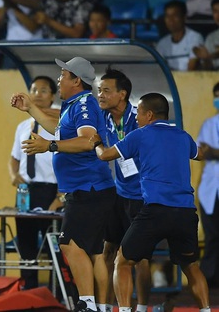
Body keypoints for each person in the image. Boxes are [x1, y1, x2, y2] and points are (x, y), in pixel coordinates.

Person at [11, 56, 115, 312]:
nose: (59, 79)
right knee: (95, 252)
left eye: (62, 75)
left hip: (88, 189)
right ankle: (100, 306)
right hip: (90, 189)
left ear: (76, 80)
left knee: (69, 243)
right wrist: (31, 110)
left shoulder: (84, 106)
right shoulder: (74, 104)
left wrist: (49, 146)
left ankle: (88, 304)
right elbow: (58, 128)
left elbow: (88, 140)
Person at [93, 93, 212, 312]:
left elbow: (105, 155)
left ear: (149, 115)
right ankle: (206, 310)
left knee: (123, 260)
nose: (136, 117)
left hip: (155, 211)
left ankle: (127, 310)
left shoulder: (139, 135)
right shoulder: (182, 136)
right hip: (185, 213)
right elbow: (199, 154)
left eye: (138, 112)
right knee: (192, 267)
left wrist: (96, 143)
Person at [97, 68, 150, 312]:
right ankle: (105, 306)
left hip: (141, 195)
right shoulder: (104, 118)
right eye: (99, 90)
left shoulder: (139, 119)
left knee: (140, 257)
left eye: (106, 90)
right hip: (119, 193)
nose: (101, 95)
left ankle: (141, 308)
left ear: (123, 94)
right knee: (108, 250)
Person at [8, 75, 61, 290]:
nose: (38, 94)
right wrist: (13, 176)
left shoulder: (57, 125)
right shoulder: (22, 126)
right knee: (27, 244)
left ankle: (56, 291)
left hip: (51, 191)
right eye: (34, 90)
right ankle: (28, 290)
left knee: (53, 245)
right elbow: (14, 158)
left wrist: (60, 196)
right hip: (25, 189)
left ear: (52, 97)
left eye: (44, 91)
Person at [197, 82, 219, 288]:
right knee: (212, 234)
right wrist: (211, 152)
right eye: (216, 96)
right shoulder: (209, 124)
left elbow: (211, 151)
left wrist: (215, 151)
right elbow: (201, 151)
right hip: (210, 189)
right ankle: (210, 277)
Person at [155, 0, 204, 71]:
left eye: (174, 15)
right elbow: (160, 70)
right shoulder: (162, 43)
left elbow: (191, 68)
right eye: (167, 16)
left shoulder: (195, 37)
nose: (170, 20)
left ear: (184, 17)